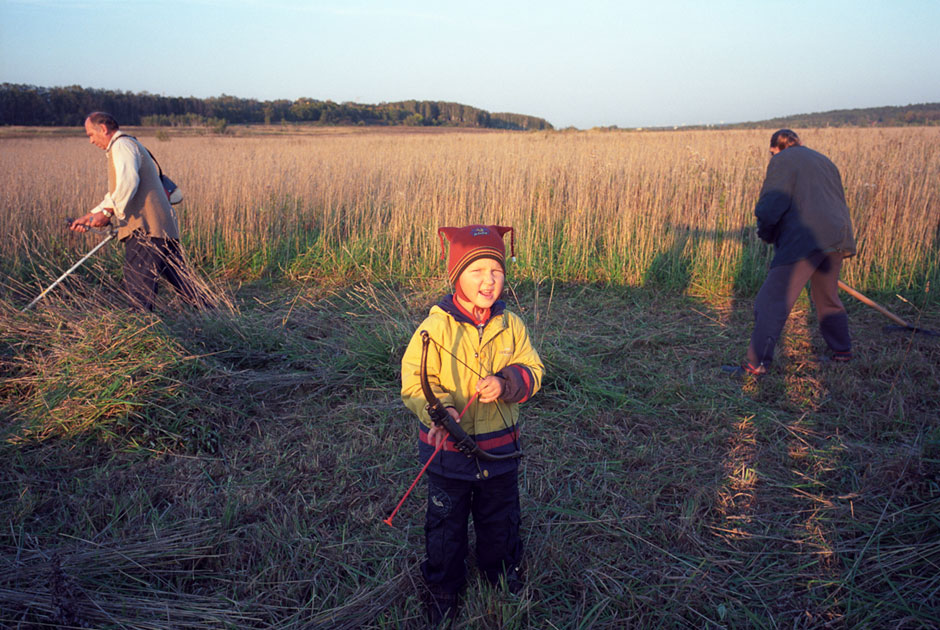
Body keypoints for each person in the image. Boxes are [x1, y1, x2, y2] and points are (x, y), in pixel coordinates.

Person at [401, 225, 544, 627]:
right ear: (456, 276)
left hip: (499, 451)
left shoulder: (511, 324)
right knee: (446, 525)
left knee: (500, 518)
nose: (488, 281)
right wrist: (441, 413)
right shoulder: (435, 327)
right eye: (477, 270)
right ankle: (443, 589)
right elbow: (416, 382)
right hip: (448, 454)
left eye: (496, 271)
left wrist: (507, 382)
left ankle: (502, 576)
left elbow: (534, 368)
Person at [727, 129, 856, 376]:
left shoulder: (782, 160)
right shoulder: (823, 160)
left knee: (771, 301)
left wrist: (765, 232)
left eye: (770, 153)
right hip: (837, 236)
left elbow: (771, 205)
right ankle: (842, 352)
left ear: (775, 149)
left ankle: (756, 365)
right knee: (827, 296)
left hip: (805, 240)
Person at [69, 111, 207, 312]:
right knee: (185, 285)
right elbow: (119, 191)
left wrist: (107, 213)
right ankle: (215, 319)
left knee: (139, 290)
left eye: (91, 134)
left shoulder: (121, 145)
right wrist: (92, 215)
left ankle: (141, 334)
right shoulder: (128, 144)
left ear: (104, 129)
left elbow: (128, 183)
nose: (91, 140)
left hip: (146, 230)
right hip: (162, 227)